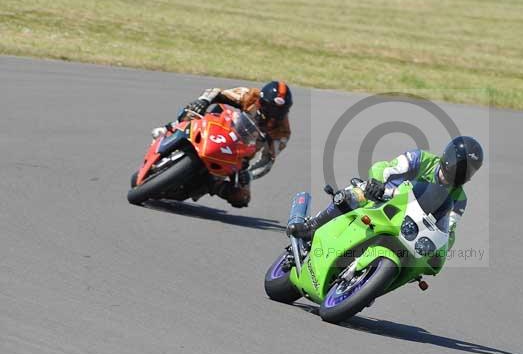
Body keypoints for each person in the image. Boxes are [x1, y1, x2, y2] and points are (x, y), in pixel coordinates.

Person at [287, 136, 484, 247]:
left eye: (470, 170)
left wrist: (441, 247)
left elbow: (449, 230)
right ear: (448, 159)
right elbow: (386, 167)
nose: (463, 173)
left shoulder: (460, 199)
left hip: (409, 228)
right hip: (384, 199)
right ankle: (312, 226)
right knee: (353, 195)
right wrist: (377, 182)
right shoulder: (421, 159)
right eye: (462, 167)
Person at [152, 81, 292, 208]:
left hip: (239, 155)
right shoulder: (249, 96)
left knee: (241, 197)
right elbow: (217, 92)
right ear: (261, 101)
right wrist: (204, 101)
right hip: (220, 128)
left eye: (279, 112)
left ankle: (212, 184)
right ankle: (169, 128)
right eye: (269, 108)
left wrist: (249, 174)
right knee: (195, 109)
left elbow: (267, 160)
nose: (272, 115)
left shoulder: (282, 132)